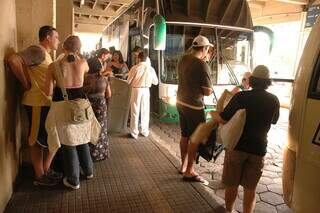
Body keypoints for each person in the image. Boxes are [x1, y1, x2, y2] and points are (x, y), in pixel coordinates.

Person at [209, 65, 280, 213]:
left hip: (237, 147)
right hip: (258, 149)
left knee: (232, 185)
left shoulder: (242, 97)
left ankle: (229, 211)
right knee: (250, 189)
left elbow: (223, 119)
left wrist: (212, 114)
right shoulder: (274, 100)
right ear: (268, 82)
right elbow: (274, 121)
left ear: (252, 80)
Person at [7, 25, 61, 186]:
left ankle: (45, 170)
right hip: (36, 102)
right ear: (47, 37)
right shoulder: (37, 51)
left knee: (47, 138)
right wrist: (25, 83)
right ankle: (40, 175)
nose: (58, 40)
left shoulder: (46, 54)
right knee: (36, 139)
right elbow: (13, 60)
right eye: (56, 37)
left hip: (44, 102)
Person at [44, 35, 99, 190]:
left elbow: (48, 91)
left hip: (62, 103)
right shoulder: (83, 63)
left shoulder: (53, 66)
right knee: (81, 138)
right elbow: (85, 72)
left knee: (68, 142)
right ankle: (88, 171)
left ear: (63, 47)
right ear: (79, 48)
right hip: (81, 103)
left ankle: (73, 180)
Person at [176, 35, 213, 182]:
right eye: (207, 49)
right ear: (204, 48)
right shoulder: (202, 65)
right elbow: (208, 91)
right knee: (195, 138)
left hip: (180, 102)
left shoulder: (183, 59)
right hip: (193, 105)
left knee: (184, 135)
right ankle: (190, 171)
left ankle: (183, 166)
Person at [84, 51, 112, 161]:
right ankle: (99, 153)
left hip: (87, 106)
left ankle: (87, 154)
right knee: (100, 129)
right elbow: (109, 94)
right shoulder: (103, 79)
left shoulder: (84, 80)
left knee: (88, 128)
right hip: (100, 106)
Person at [127, 51, 158, 139]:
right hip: (146, 90)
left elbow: (128, 81)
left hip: (136, 90)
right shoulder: (151, 69)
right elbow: (155, 82)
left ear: (139, 58)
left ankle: (134, 133)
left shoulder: (134, 68)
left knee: (134, 111)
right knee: (145, 110)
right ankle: (145, 131)